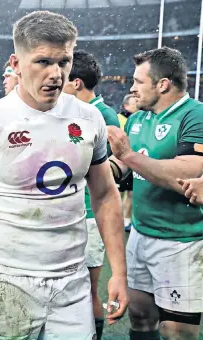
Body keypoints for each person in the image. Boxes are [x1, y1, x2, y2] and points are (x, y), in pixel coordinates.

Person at [0, 11, 128, 339]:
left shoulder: (90, 119)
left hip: (72, 283)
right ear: (16, 63)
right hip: (7, 283)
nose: (56, 74)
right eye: (43, 61)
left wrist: (119, 272)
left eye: (64, 62)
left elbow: (104, 195)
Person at [107, 47, 203, 340]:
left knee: (177, 331)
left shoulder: (195, 115)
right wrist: (89, 172)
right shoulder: (138, 120)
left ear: (163, 84)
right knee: (140, 316)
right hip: (139, 235)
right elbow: (120, 166)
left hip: (181, 241)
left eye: (138, 81)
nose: (132, 88)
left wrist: (129, 155)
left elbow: (187, 172)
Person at [63, 49, 120, 340]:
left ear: (76, 84)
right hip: (75, 211)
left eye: (64, 75)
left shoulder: (102, 115)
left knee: (86, 289)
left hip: (89, 214)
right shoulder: (77, 112)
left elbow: (109, 172)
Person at [117, 94, 139, 232]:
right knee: (117, 193)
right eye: (134, 104)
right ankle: (116, 219)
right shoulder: (118, 119)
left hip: (133, 163)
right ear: (126, 106)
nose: (136, 105)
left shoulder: (140, 120)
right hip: (120, 162)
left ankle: (126, 220)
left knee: (130, 193)